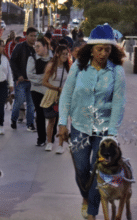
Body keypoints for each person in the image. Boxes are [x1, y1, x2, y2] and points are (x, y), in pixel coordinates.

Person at [58, 24, 126, 220]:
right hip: (79, 126)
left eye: (107, 49)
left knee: (97, 169)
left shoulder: (117, 72)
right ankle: (86, 197)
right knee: (81, 168)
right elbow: (67, 95)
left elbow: (119, 104)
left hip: (103, 130)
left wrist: (112, 133)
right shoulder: (79, 67)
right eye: (99, 49)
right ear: (91, 48)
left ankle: (92, 211)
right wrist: (63, 123)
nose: (103, 53)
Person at [41, 45, 70, 153]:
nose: (65, 56)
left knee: (63, 121)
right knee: (51, 121)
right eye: (63, 54)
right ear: (57, 54)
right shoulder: (51, 66)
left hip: (64, 96)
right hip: (52, 95)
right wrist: (57, 88)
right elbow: (44, 82)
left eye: (67, 54)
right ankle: (49, 142)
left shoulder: (68, 67)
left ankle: (60, 145)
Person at [26, 38, 54, 147]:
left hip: (51, 91)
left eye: (38, 46)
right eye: (35, 47)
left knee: (53, 115)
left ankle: (51, 136)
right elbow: (30, 75)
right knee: (40, 114)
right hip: (36, 90)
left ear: (45, 47)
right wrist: (45, 79)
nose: (36, 49)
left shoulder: (53, 58)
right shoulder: (32, 58)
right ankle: (41, 138)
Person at [9, 27, 37, 131]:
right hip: (21, 81)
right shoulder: (19, 47)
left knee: (31, 104)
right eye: (31, 36)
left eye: (35, 36)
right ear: (26, 36)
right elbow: (12, 61)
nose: (33, 38)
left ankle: (30, 124)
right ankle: (13, 119)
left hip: (33, 82)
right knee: (19, 100)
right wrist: (18, 75)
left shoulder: (36, 48)